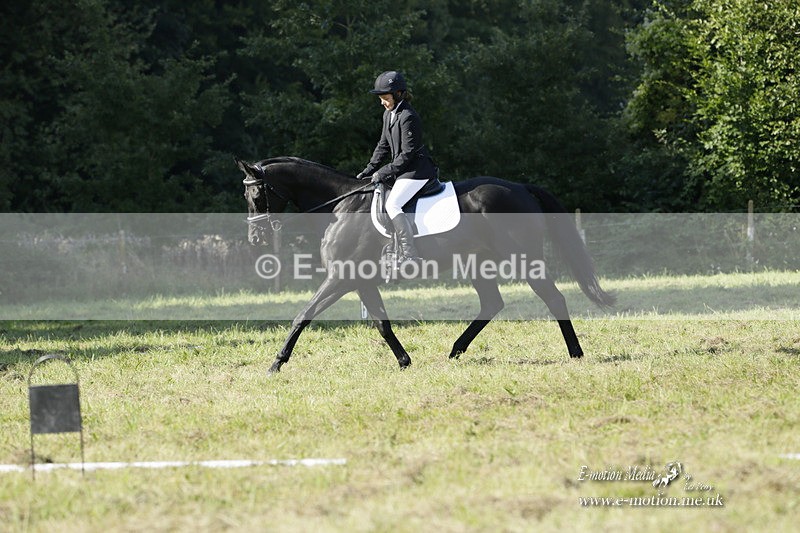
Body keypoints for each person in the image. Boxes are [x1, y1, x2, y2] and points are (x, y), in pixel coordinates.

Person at [357, 71, 437, 263]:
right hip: (403, 170)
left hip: (417, 171)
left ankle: (410, 255)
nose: (382, 103)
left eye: (385, 98)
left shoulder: (408, 116)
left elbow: (407, 155)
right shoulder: (389, 114)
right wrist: (369, 169)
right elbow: (383, 145)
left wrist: (382, 172)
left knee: (393, 204)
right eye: (381, 99)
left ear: (399, 94)